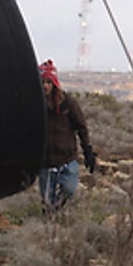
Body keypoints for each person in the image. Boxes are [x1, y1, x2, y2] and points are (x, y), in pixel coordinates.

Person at [38, 60, 96, 212]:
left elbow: (81, 127)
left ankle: (59, 211)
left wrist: (88, 151)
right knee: (47, 201)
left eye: (48, 82)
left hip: (67, 158)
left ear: (54, 83)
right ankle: (50, 225)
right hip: (46, 161)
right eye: (42, 82)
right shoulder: (36, 104)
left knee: (69, 190)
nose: (45, 86)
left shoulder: (67, 103)